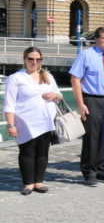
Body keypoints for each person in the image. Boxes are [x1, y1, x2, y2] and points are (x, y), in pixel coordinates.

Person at [69, 27, 104, 187]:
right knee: (91, 137)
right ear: (96, 39)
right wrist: (80, 104)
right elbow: (75, 79)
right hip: (92, 99)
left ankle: (102, 170)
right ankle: (89, 172)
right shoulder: (86, 55)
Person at [4, 47, 63, 196]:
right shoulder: (16, 78)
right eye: (31, 59)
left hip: (46, 121)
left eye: (38, 59)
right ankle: (28, 183)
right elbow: (9, 104)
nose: (34, 62)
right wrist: (11, 125)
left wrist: (54, 95)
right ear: (24, 59)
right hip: (25, 122)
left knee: (42, 152)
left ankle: (39, 182)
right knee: (27, 152)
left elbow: (59, 95)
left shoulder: (47, 75)